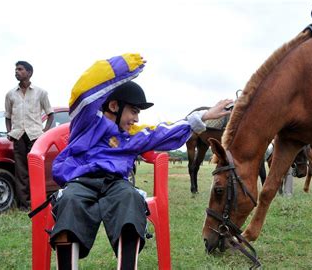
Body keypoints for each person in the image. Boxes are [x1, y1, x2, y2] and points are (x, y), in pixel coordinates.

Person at [49, 53, 232, 269]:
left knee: (130, 200)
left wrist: (203, 116)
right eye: (133, 111)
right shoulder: (86, 121)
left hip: (115, 183)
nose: (136, 119)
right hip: (80, 180)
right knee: (70, 201)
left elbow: (164, 132)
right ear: (115, 106)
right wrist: (123, 66)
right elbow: (84, 90)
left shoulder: (134, 135)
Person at [5, 61, 54, 210]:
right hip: (18, 135)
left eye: (20, 69)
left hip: (35, 137)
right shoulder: (10, 94)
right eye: (16, 69)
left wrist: (44, 132)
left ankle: (38, 202)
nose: (16, 71)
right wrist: (9, 132)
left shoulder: (41, 92)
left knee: (36, 170)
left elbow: (50, 114)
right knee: (21, 171)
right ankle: (24, 205)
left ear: (29, 72)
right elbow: (8, 116)